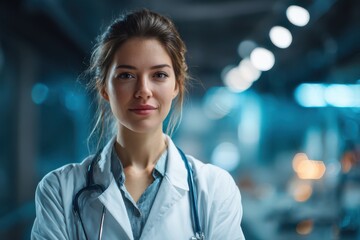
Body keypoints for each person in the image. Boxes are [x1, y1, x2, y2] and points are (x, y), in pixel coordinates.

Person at [31, 9, 245, 240]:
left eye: (159, 75)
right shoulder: (59, 190)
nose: (143, 90)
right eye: (126, 75)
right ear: (104, 87)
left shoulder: (214, 189)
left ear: (176, 85)